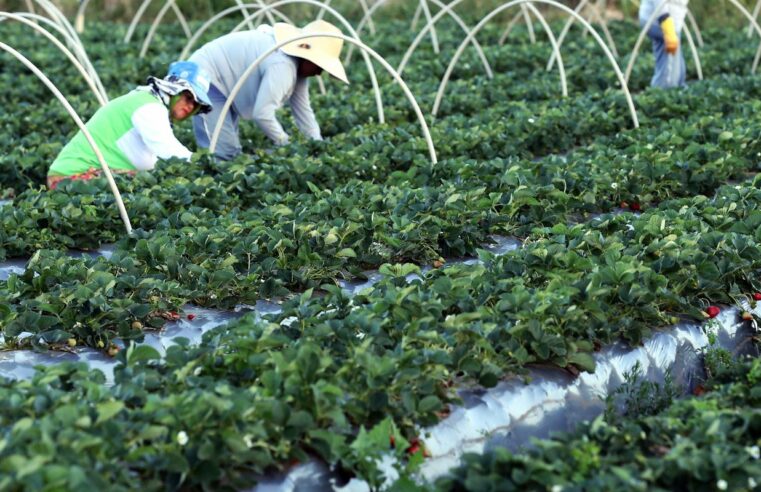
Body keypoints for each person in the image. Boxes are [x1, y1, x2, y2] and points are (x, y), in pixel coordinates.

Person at [189, 20, 349, 160]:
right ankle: (206, 186)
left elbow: (303, 111)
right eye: (319, 65)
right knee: (221, 152)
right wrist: (286, 144)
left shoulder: (297, 68)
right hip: (205, 76)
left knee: (228, 150)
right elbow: (262, 114)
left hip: (224, 80)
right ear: (307, 57)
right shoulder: (282, 66)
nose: (320, 73)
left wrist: (317, 145)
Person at [47, 61, 213, 189]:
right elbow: (168, 150)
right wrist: (206, 167)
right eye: (188, 97)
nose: (190, 106)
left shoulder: (149, 102)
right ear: (173, 91)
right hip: (71, 178)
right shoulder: (149, 106)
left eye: (196, 104)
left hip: (82, 175)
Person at [639, 0, 689, 89]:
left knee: (678, 72)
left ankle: (677, 90)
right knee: (669, 76)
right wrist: (666, 22)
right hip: (662, 22)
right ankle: (661, 95)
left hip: (671, 23)